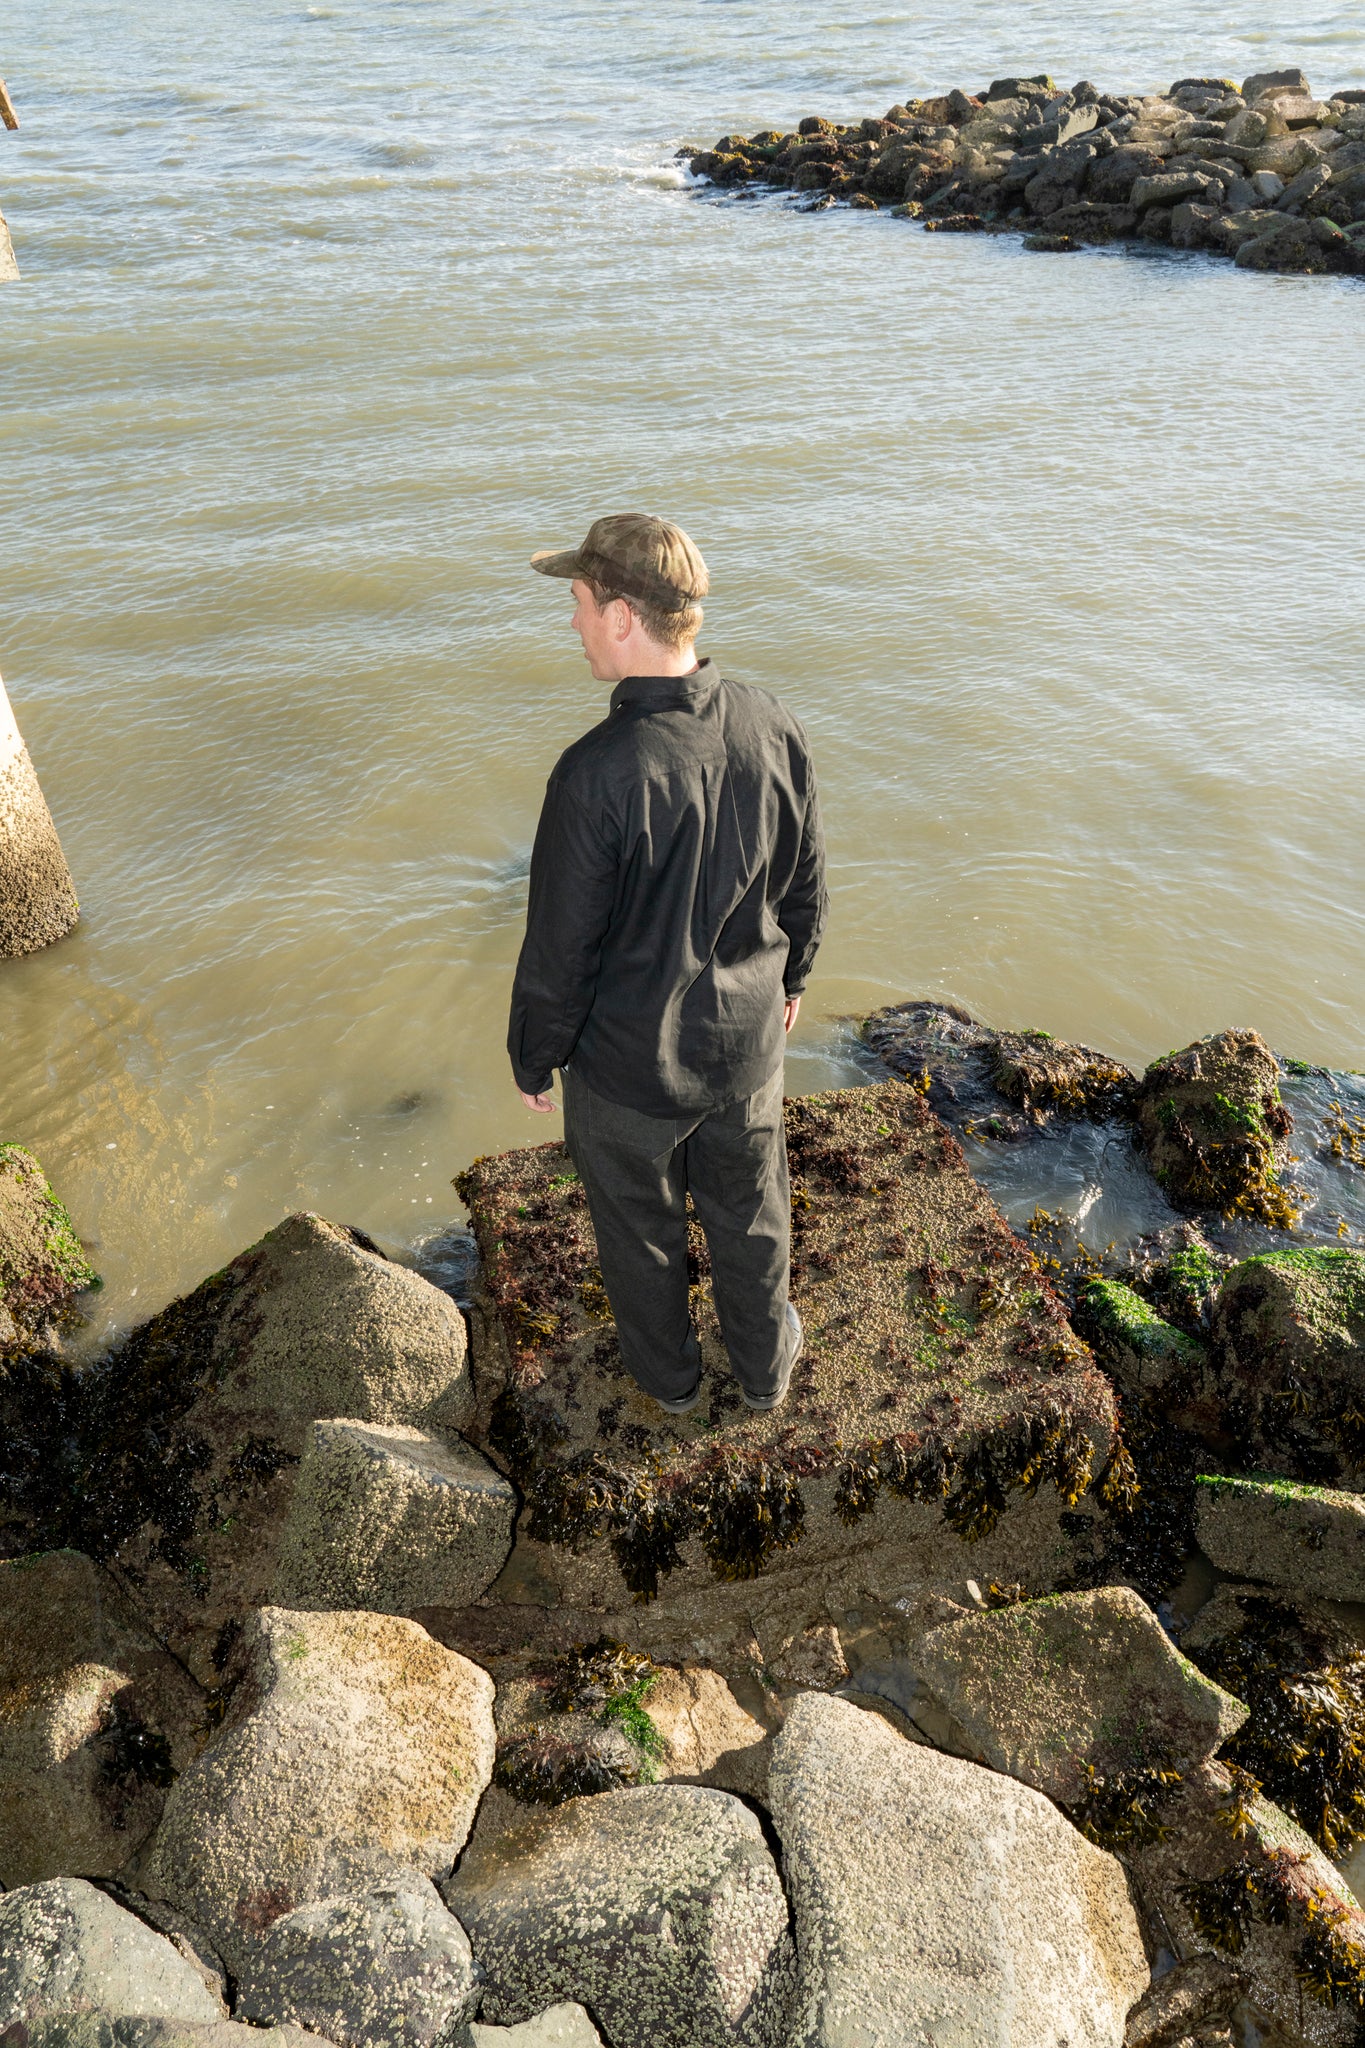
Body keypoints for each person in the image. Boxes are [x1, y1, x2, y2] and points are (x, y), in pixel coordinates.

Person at [507, 513, 828, 1415]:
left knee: (639, 1236)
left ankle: (671, 1385)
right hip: (746, 1047)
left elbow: (559, 950)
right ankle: (765, 1373)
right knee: (752, 1215)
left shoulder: (595, 774)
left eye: (575, 603)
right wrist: (792, 976)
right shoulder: (771, 724)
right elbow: (804, 879)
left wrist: (535, 1053)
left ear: (620, 615)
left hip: (626, 1072)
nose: (571, 623)